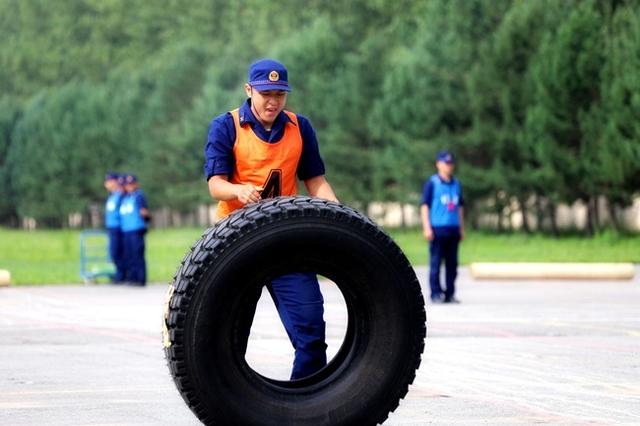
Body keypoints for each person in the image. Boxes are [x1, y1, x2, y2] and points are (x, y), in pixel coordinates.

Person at [204, 58, 339, 380]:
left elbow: (316, 181)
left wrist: (341, 216)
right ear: (249, 90)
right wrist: (237, 190)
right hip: (235, 242)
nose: (273, 101)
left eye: (280, 93)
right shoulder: (226, 125)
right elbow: (215, 185)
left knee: (311, 332)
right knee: (228, 339)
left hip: (286, 241)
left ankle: (304, 405)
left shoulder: (299, 126)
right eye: (266, 93)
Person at [421, 150, 464, 304]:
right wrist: (427, 227)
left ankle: (450, 293)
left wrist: (461, 228)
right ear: (438, 164)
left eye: (451, 163)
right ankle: (436, 293)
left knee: (452, 264)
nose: (448, 166)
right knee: (436, 263)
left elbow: (459, 207)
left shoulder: (456, 184)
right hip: (437, 229)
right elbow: (425, 206)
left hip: (453, 229)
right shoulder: (432, 183)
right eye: (446, 163)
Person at [119, 174, 151, 286]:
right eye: (127, 185)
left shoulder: (138, 196)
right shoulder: (125, 197)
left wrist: (145, 219)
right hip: (126, 230)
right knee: (129, 255)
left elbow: (145, 212)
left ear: (136, 184)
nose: (129, 186)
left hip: (136, 229)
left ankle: (140, 278)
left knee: (137, 255)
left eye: (131, 184)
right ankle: (132, 277)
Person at [104, 172, 125, 283]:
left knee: (117, 252)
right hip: (112, 228)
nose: (106, 184)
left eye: (109, 181)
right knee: (113, 252)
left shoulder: (120, 195)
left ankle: (121, 275)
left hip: (118, 228)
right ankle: (119, 273)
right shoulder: (112, 196)